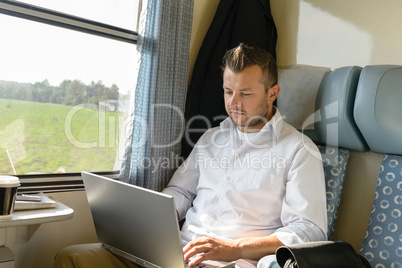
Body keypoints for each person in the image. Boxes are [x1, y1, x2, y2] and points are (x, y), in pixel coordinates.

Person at [53, 43, 327, 268]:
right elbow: (181, 192)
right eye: (228, 91)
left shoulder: (299, 150)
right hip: (175, 255)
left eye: (245, 93)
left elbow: (308, 231)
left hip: (230, 263)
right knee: (74, 258)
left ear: (272, 94)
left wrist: (233, 248)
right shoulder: (212, 138)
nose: (233, 103)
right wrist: (148, 218)